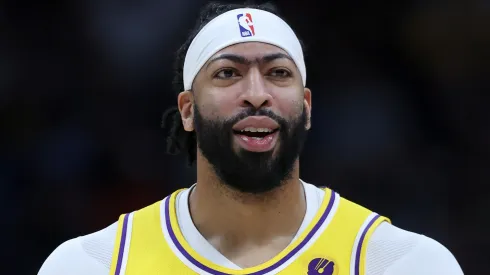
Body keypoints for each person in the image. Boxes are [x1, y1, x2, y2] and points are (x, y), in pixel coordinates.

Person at [38, 2, 464, 275]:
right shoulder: (92, 265)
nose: (257, 94)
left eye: (278, 73)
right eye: (228, 73)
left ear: (307, 107)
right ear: (187, 110)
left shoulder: (403, 263)